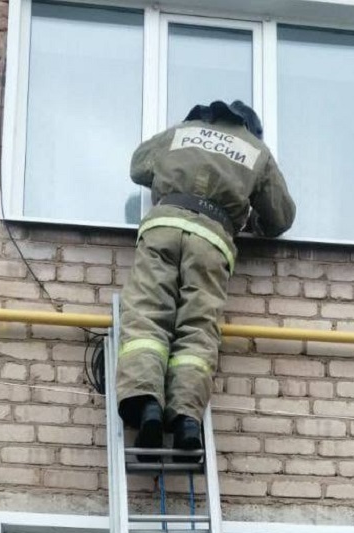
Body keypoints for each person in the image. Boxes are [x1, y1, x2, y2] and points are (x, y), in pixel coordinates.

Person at [116, 100, 296, 460]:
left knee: (147, 317)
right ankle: (185, 419)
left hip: (163, 228)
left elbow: (138, 167)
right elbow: (281, 216)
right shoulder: (256, 150)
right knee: (198, 329)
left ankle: (147, 403)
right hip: (212, 242)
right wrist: (252, 221)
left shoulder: (181, 133)